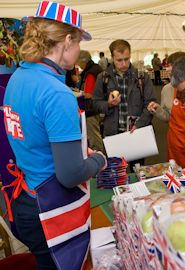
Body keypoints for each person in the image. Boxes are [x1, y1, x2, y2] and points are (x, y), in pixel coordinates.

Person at [2, 2, 107, 269]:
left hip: (26, 197)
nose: (79, 49)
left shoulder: (18, 77)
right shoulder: (56, 93)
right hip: (49, 210)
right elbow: (69, 174)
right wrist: (98, 161)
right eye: (79, 41)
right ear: (68, 40)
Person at [93, 39, 156, 168]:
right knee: (115, 172)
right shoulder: (103, 78)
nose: (124, 64)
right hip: (113, 134)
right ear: (112, 58)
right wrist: (109, 104)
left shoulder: (142, 77)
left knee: (137, 171)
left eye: (126, 59)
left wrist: (139, 124)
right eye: (119, 60)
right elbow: (95, 103)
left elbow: (150, 104)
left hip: (136, 133)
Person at [147, 52, 185, 168]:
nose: (167, 71)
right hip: (175, 143)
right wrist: (157, 110)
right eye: (168, 67)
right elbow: (167, 117)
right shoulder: (167, 89)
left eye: (171, 68)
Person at [77, 50, 105, 153]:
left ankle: (99, 157)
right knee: (97, 134)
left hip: (91, 110)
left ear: (83, 61)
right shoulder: (96, 69)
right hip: (98, 107)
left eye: (77, 61)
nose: (77, 64)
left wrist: (78, 93)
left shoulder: (90, 73)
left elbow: (89, 94)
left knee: (94, 137)